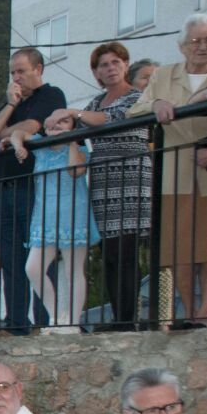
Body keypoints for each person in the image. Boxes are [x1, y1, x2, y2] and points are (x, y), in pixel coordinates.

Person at [130, 13, 207, 326]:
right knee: (181, 248)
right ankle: (188, 310)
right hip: (173, 168)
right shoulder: (163, 75)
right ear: (182, 45)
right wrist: (157, 102)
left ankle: (205, 313)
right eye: (195, 40)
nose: (202, 46)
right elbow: (137, 109)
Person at [50, 43, 151, 330]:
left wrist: (73, 113)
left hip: (130, 180)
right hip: (104, 182)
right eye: (103, 64)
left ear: (125, 65)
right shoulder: (95, 102)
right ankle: (120, 317)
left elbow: (111, 119)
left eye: (115, 62)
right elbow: (75, 133)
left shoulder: (137, 97)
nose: (110, 68)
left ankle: (127, 320)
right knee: (109, 253)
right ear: (96, 72)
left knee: (126, 253)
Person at [0, 47, 68, 333]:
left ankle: (45, 322)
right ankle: (17, 323)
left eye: (21, 71)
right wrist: (9, 107)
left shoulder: (52, 95)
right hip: (3, 189)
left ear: (38, 69)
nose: (16, 78)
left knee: (40, 256)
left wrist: (7, 131)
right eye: (12, 72)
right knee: (9, 258)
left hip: (33, 185)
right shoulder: (12, 102)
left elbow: (31, 126)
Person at [13, 111, 99, 330]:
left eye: (64, 121)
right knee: (32, 268)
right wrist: (18, 146)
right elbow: (18, 133)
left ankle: (72, 320)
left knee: (73, 270)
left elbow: (75, 171)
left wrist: (70, 140)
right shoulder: (41, 146)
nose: (58, 125)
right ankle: (56, 315)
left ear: (73, 126)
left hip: (73, 214)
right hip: (45, 217)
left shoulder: (79, 150)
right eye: (54, 121)